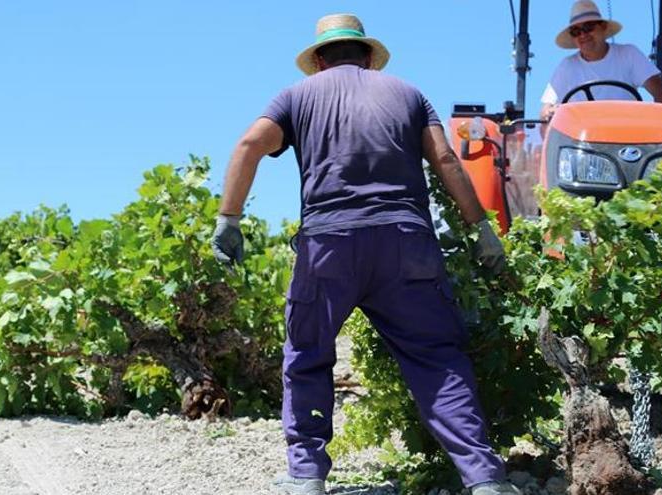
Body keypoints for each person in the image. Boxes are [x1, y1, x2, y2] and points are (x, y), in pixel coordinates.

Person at [211, 13, 521, 495]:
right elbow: (443, 159)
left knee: (308, 356)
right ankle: (484, 479)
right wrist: (481, 230)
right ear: (369, 58)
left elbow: (251, 143)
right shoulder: (408, 94)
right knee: (436, 358)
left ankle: (306, 476)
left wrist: (229, 220)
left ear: (318, 60)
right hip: (406, 243)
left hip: (327, 246)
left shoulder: (295, 97)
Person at [540, 0, 662, 120]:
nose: (583, 35)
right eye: (576, 31)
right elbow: (545, 111)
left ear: (602, 27)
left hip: (627, 137)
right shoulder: (567, 66)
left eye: (588, 27)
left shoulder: (628, 54)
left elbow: (660, 92)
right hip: (581, 142)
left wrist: (660, 127)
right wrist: (550, 112)